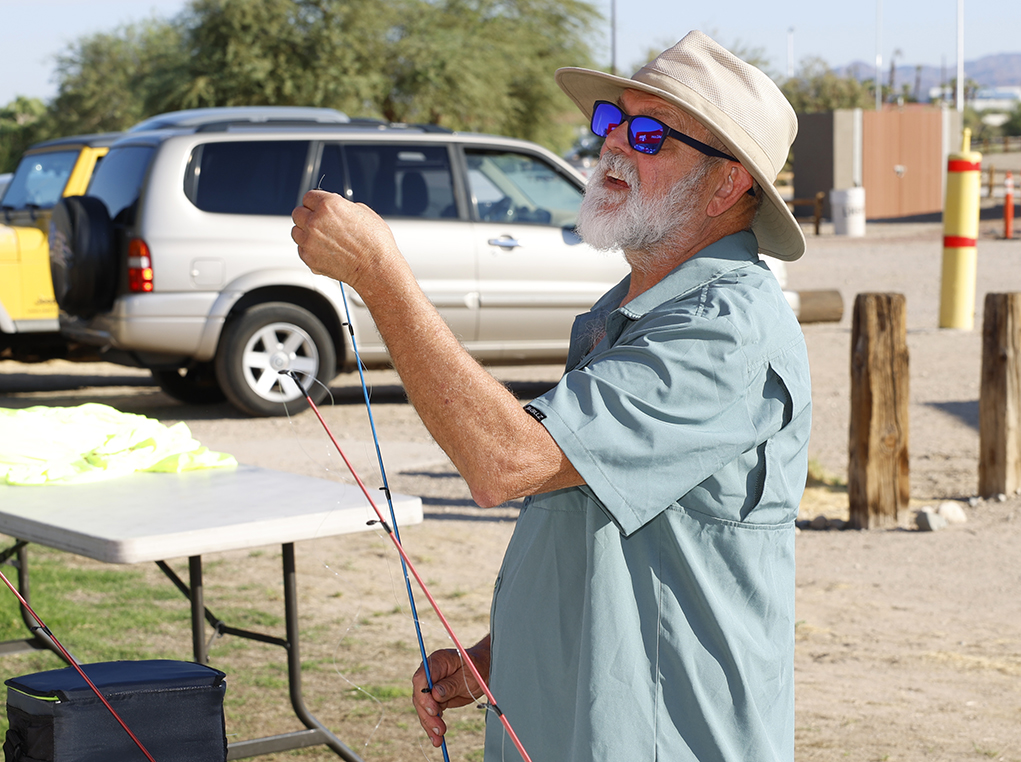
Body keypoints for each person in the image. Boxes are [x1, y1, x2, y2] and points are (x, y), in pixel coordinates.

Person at [291, 29, 811, 762]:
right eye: (611, 123)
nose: (614, 147)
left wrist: (381, 276)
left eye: (650, 135)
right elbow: (605, 534)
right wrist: (497, 654)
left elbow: (506, 462)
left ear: (728, 186)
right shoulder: (632, 311)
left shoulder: (726, 332)